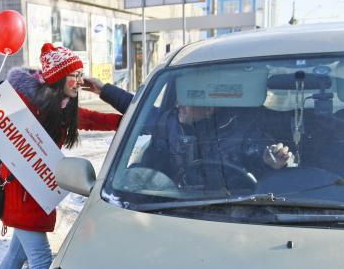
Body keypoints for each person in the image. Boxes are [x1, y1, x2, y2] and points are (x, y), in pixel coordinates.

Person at [0, 43, 123, 269]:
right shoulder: (23, 104)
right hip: (21, 194)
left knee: (16, 255)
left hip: (40, 193)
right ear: (59, 78)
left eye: (81, 75)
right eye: (76, 75)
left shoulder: (63, 109)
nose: (81, 81)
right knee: (41, 260)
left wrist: (135, 121)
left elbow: (97, 120)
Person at [83, 78, 293, 191]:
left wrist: (273, 162)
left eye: (187, 99)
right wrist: (103, 89)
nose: (177, 104)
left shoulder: (245, 133)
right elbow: (137, 108)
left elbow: (267, 158)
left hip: (236, 213)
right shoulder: (170, 122)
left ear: (209, 108)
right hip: (176, 207)